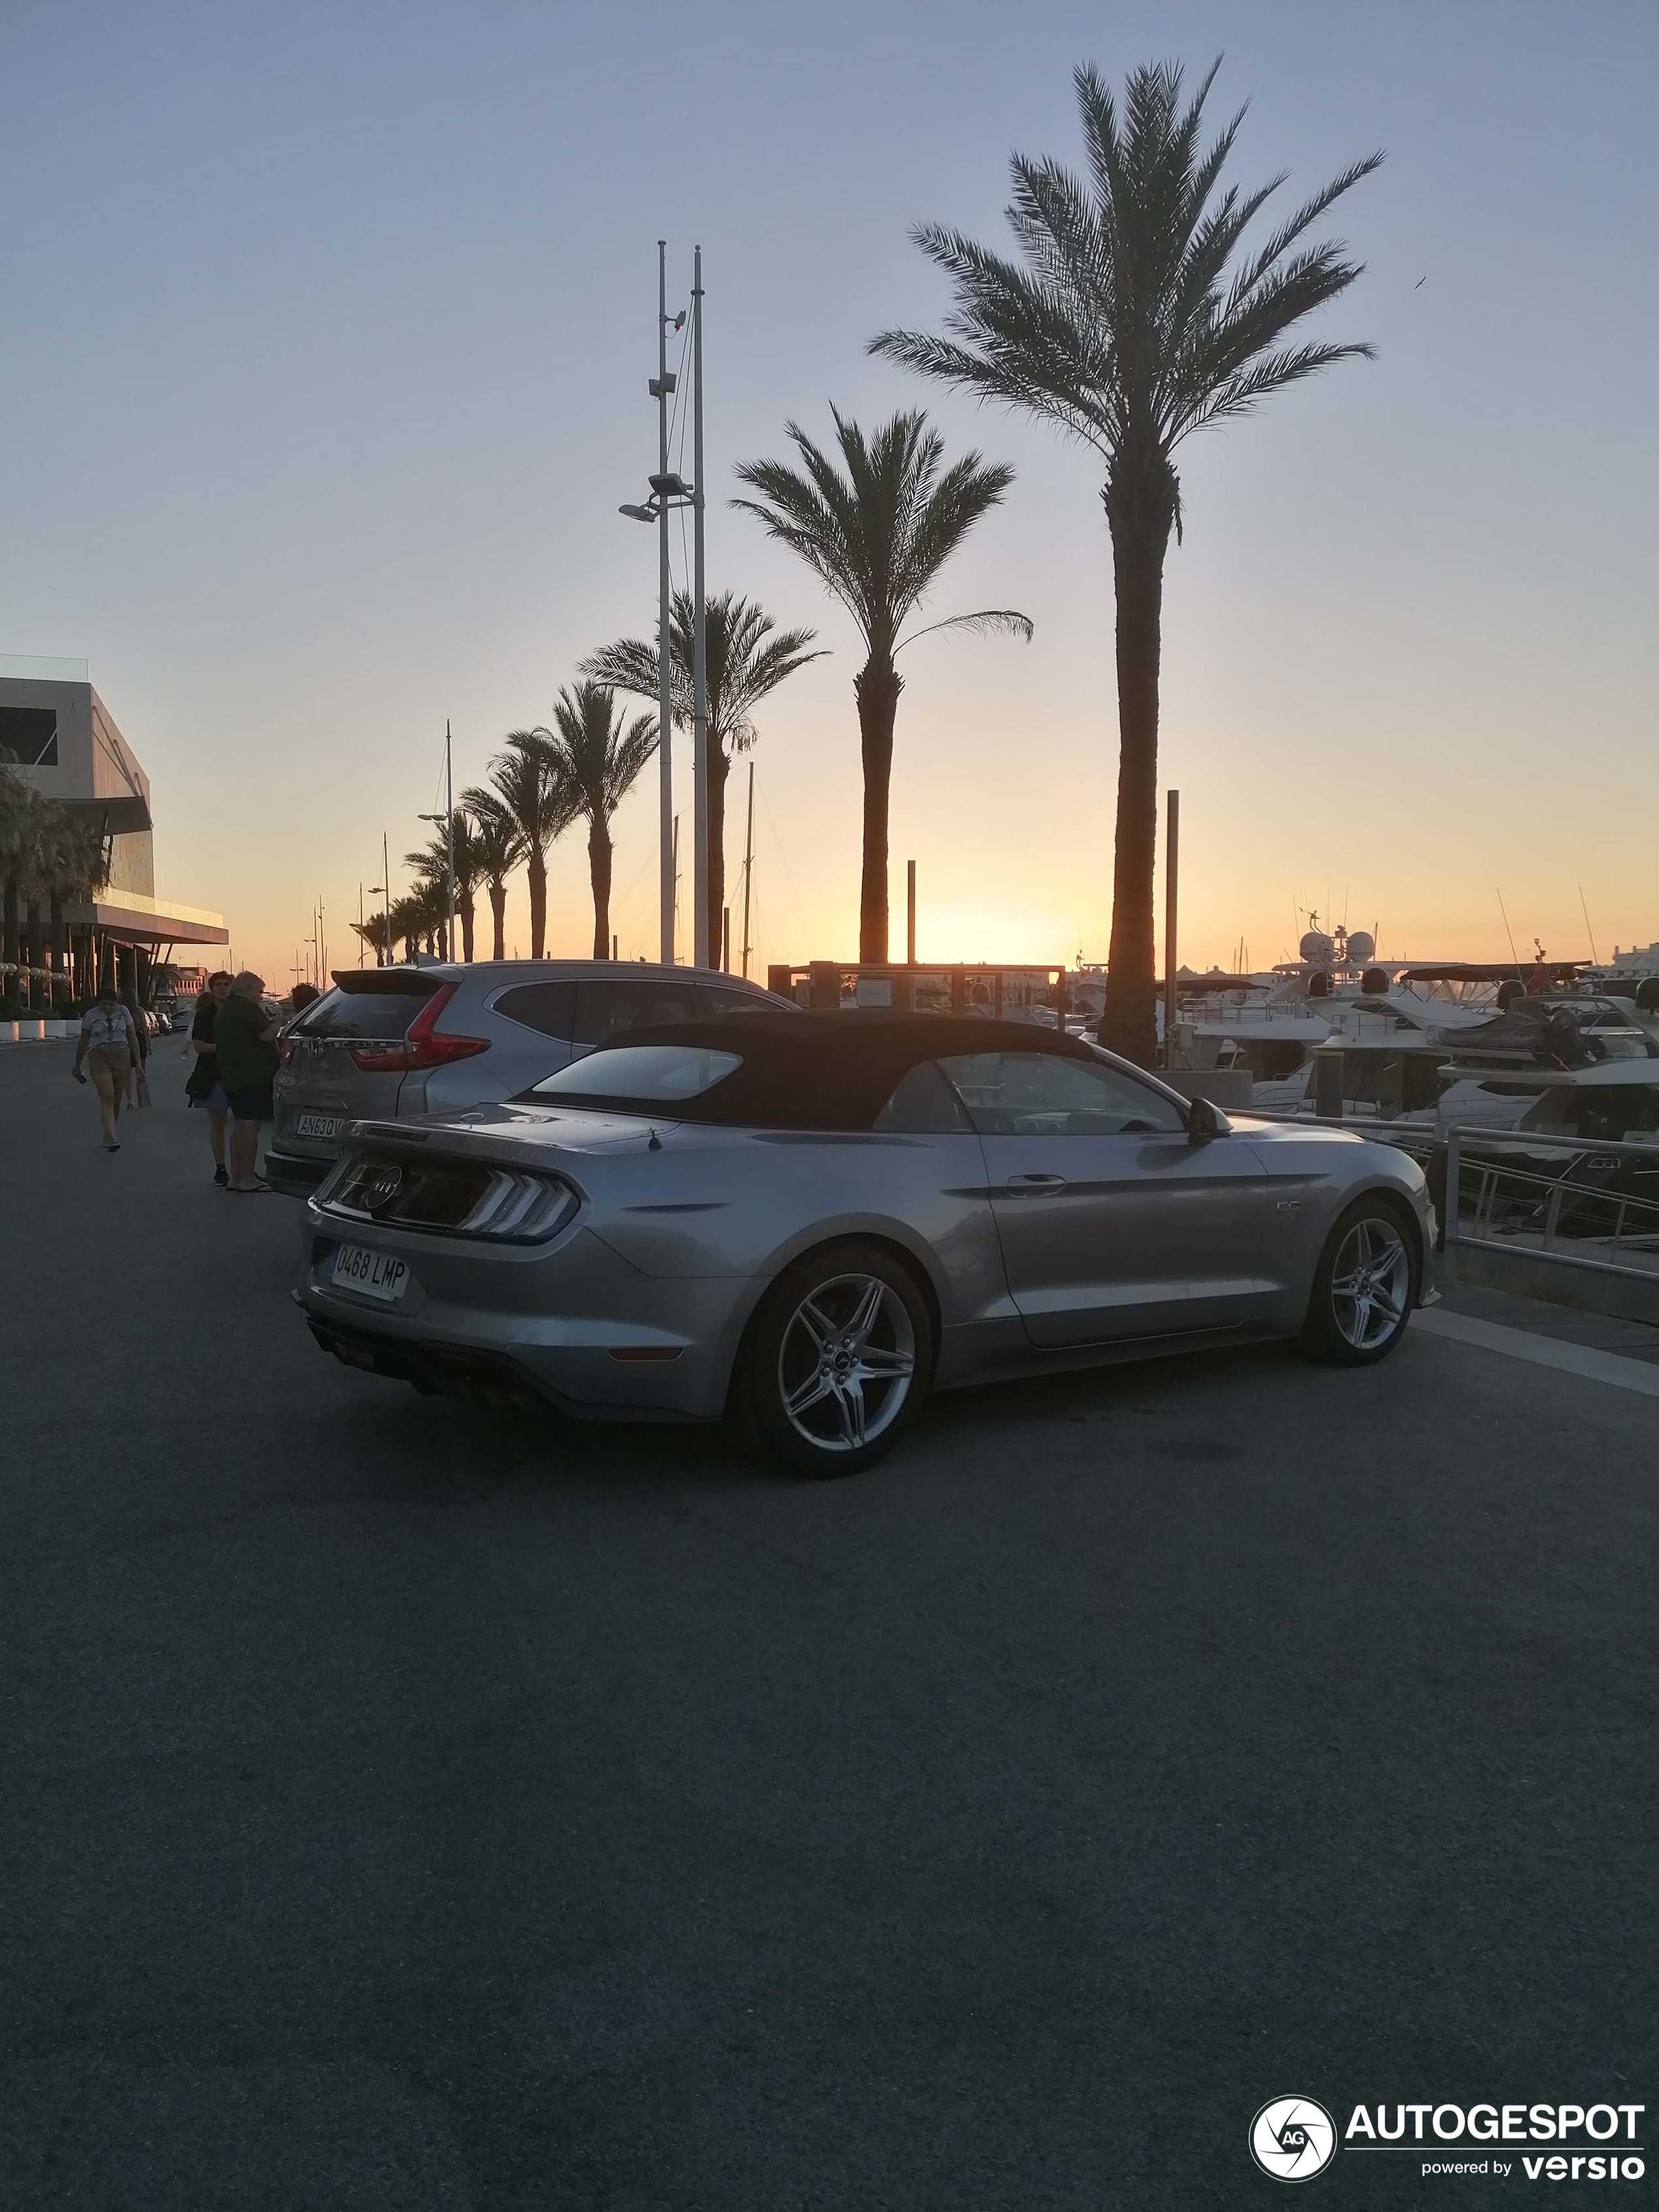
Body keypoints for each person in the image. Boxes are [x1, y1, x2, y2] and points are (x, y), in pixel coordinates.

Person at [214, 970, 282, 1193]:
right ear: (248, 990)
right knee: (251, 1124)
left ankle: (237, 1176)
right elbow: (266, 1036)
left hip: (233, 1076)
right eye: (259, 992)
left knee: (241, 1124)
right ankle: (247, 1179)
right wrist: (278, 1024)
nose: (260, 997)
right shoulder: (247, 1009)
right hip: (252, 1076)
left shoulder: (225, 1011)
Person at [72, 980, 141, 1151]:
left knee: (117, 1101)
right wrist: (77, 1065)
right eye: (104, 1004)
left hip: (122, 1056)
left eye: (111, 1004)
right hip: (99, 1056)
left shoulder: (123, 1012)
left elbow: (132, 1037)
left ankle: (108, 1134)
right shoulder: (90, 1016)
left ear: (116, 1002)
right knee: (107, 1097)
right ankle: (112, 1138)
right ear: (98, 1003)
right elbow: (83, 1041)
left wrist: (138, 1063)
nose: (108, 1008)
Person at [185, 970, 234, 1185]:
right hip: (214, 1076)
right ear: (212, 989)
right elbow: (199, 1046)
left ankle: (243, 1169)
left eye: (227, 985)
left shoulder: (237, 1013)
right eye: (219, 985)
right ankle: (221, 1168)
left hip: (240, 1076)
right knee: (218, 1123)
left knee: (245, 1125)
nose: (223, 988)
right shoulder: (205, 1015)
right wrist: (224, 1048)